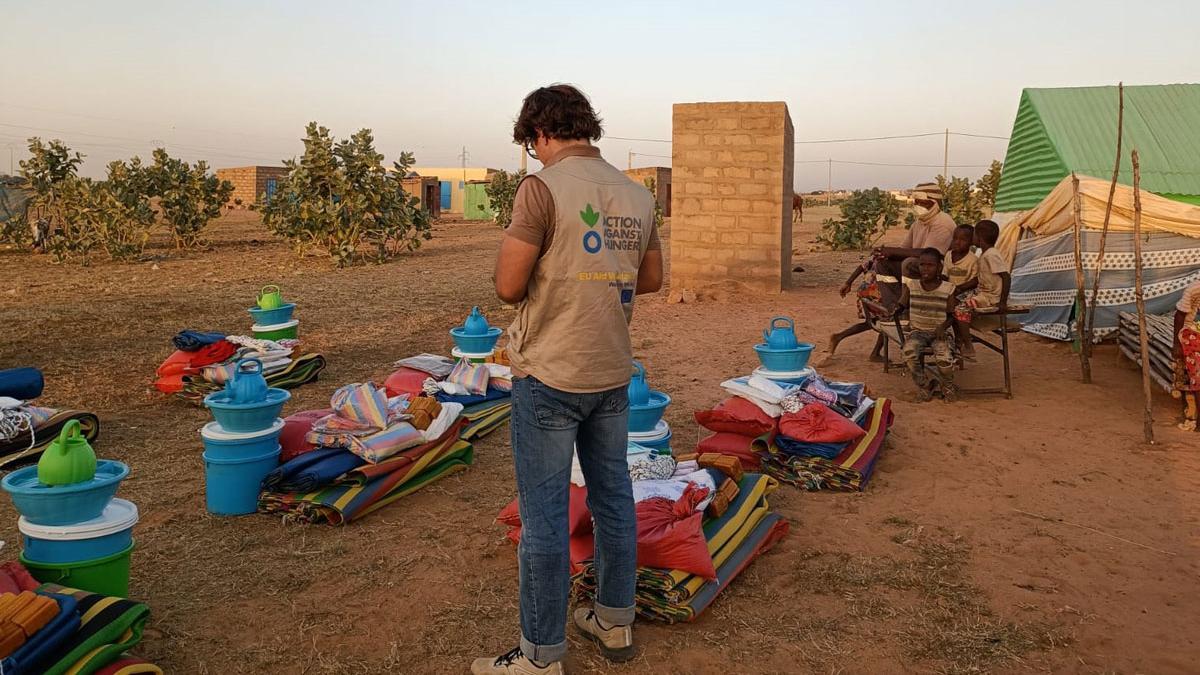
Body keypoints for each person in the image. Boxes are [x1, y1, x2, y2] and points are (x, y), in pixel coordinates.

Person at [479, 84, 663, 675]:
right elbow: (652, 279)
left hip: (552, 372)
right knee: (614, 499)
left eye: (531, 145)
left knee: (544, 517)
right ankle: (614, 622)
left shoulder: (541, 188)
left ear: (538, 134)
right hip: (611, 371)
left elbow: (508, 287)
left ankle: (539, 659)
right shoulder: (637, 193)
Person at [894, 248, 958, 402]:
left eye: (930, 265)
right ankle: (925, 385)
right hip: (918, 332)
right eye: (922, 265)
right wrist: (894, 310)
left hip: (939, 333)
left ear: (939, 267)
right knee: (909, 353)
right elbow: (901, 305)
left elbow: (952, 316)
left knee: (944, 359)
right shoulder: (912, 285)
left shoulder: (948, 288)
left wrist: (942, 327)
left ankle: (948, 386)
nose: (926, 269)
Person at [874, 182, 957, 283]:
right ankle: (893, 298)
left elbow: (929, 254)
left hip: (937, 268)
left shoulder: (942, 223)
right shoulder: (918, 222)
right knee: (882, 263)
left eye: (923, 203)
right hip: (922, 262)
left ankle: (909, 295)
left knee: (909, 263)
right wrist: (885, 253)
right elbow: (904, 249)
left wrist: (891, 251)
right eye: (917, 202)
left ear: (935, 203)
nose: (919, 206)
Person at [953, 220, 1010, 348]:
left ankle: (967, 343)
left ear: (979, 237)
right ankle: (960, 337)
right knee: (954, 300)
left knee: (960, 309)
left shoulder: (991, 255)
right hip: (983, 293)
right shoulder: (985, 255)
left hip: (990, 298)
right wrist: (960, 287)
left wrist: (1002, 302)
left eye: (973, 234)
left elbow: (1006, 277)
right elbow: (981, 278)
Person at [828, 256, 887, 361]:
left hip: (864, 292)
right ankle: (875, 353)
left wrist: (848, 282)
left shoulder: (877, 258)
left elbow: (861, 267)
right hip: (876, 294)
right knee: (888, 322)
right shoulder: (893, 259)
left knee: (872, 322)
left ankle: (838, 337)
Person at [943, 224, 979, 357]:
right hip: (951, 290)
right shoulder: (948, 255)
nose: (957, 242)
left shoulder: (973, 260)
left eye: (962, 239)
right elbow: (945, 274)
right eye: (955, 238)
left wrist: (959, 288)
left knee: (957, 309)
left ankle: (967, 342)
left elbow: (975, 281)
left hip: (966, 291)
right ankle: (957, 339)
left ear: (971, 243)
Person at [1173, 278, 1200, 431]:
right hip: (1188, 331)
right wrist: (1176, 344)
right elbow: (1179, 316)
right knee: (1197, 374)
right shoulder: (1195, 288)